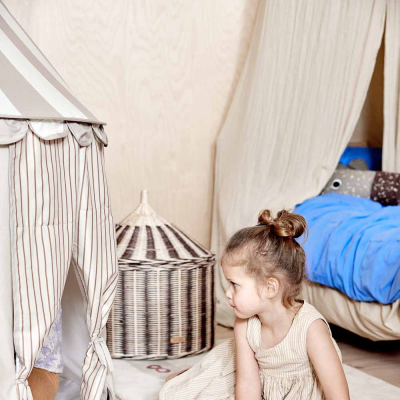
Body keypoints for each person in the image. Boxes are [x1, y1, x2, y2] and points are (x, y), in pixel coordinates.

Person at [159, 210, 350, 400]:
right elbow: (247, 383)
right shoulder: (244, 324)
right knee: (192, 390)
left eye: (234, 285)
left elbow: (338, 394)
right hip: (263, 385)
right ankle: (191, 374)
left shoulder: (311, 328)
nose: (227, 293)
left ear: (270, 288)